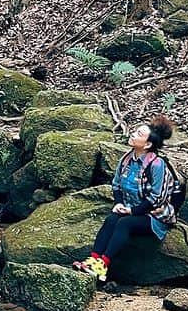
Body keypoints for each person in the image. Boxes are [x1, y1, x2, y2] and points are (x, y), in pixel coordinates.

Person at [72, 114, 178, 283]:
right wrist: (119, 203)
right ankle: (93, 259)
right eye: (135, 132)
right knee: (111, 219)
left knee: (124, 223)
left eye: (139, 134)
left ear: (148, 144)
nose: (133, 134)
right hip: (130, 208)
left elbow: (157, 198)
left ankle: (103, 265)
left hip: (154, 216)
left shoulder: (157, 164)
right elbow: (116, 185)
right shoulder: (126, 159)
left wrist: (132, 211)